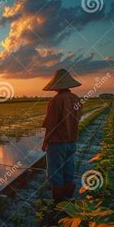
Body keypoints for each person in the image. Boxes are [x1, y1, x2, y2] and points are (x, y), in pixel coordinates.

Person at [41, 69, 82, 202]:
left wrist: (45, 142)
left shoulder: (56, 100)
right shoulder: (76, 98)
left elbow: (51, 125)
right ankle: (67, 200)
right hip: (72, 141)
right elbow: (78, 118)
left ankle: (58, 203)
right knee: (68, 169)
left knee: (55, 173)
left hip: (57, 143)